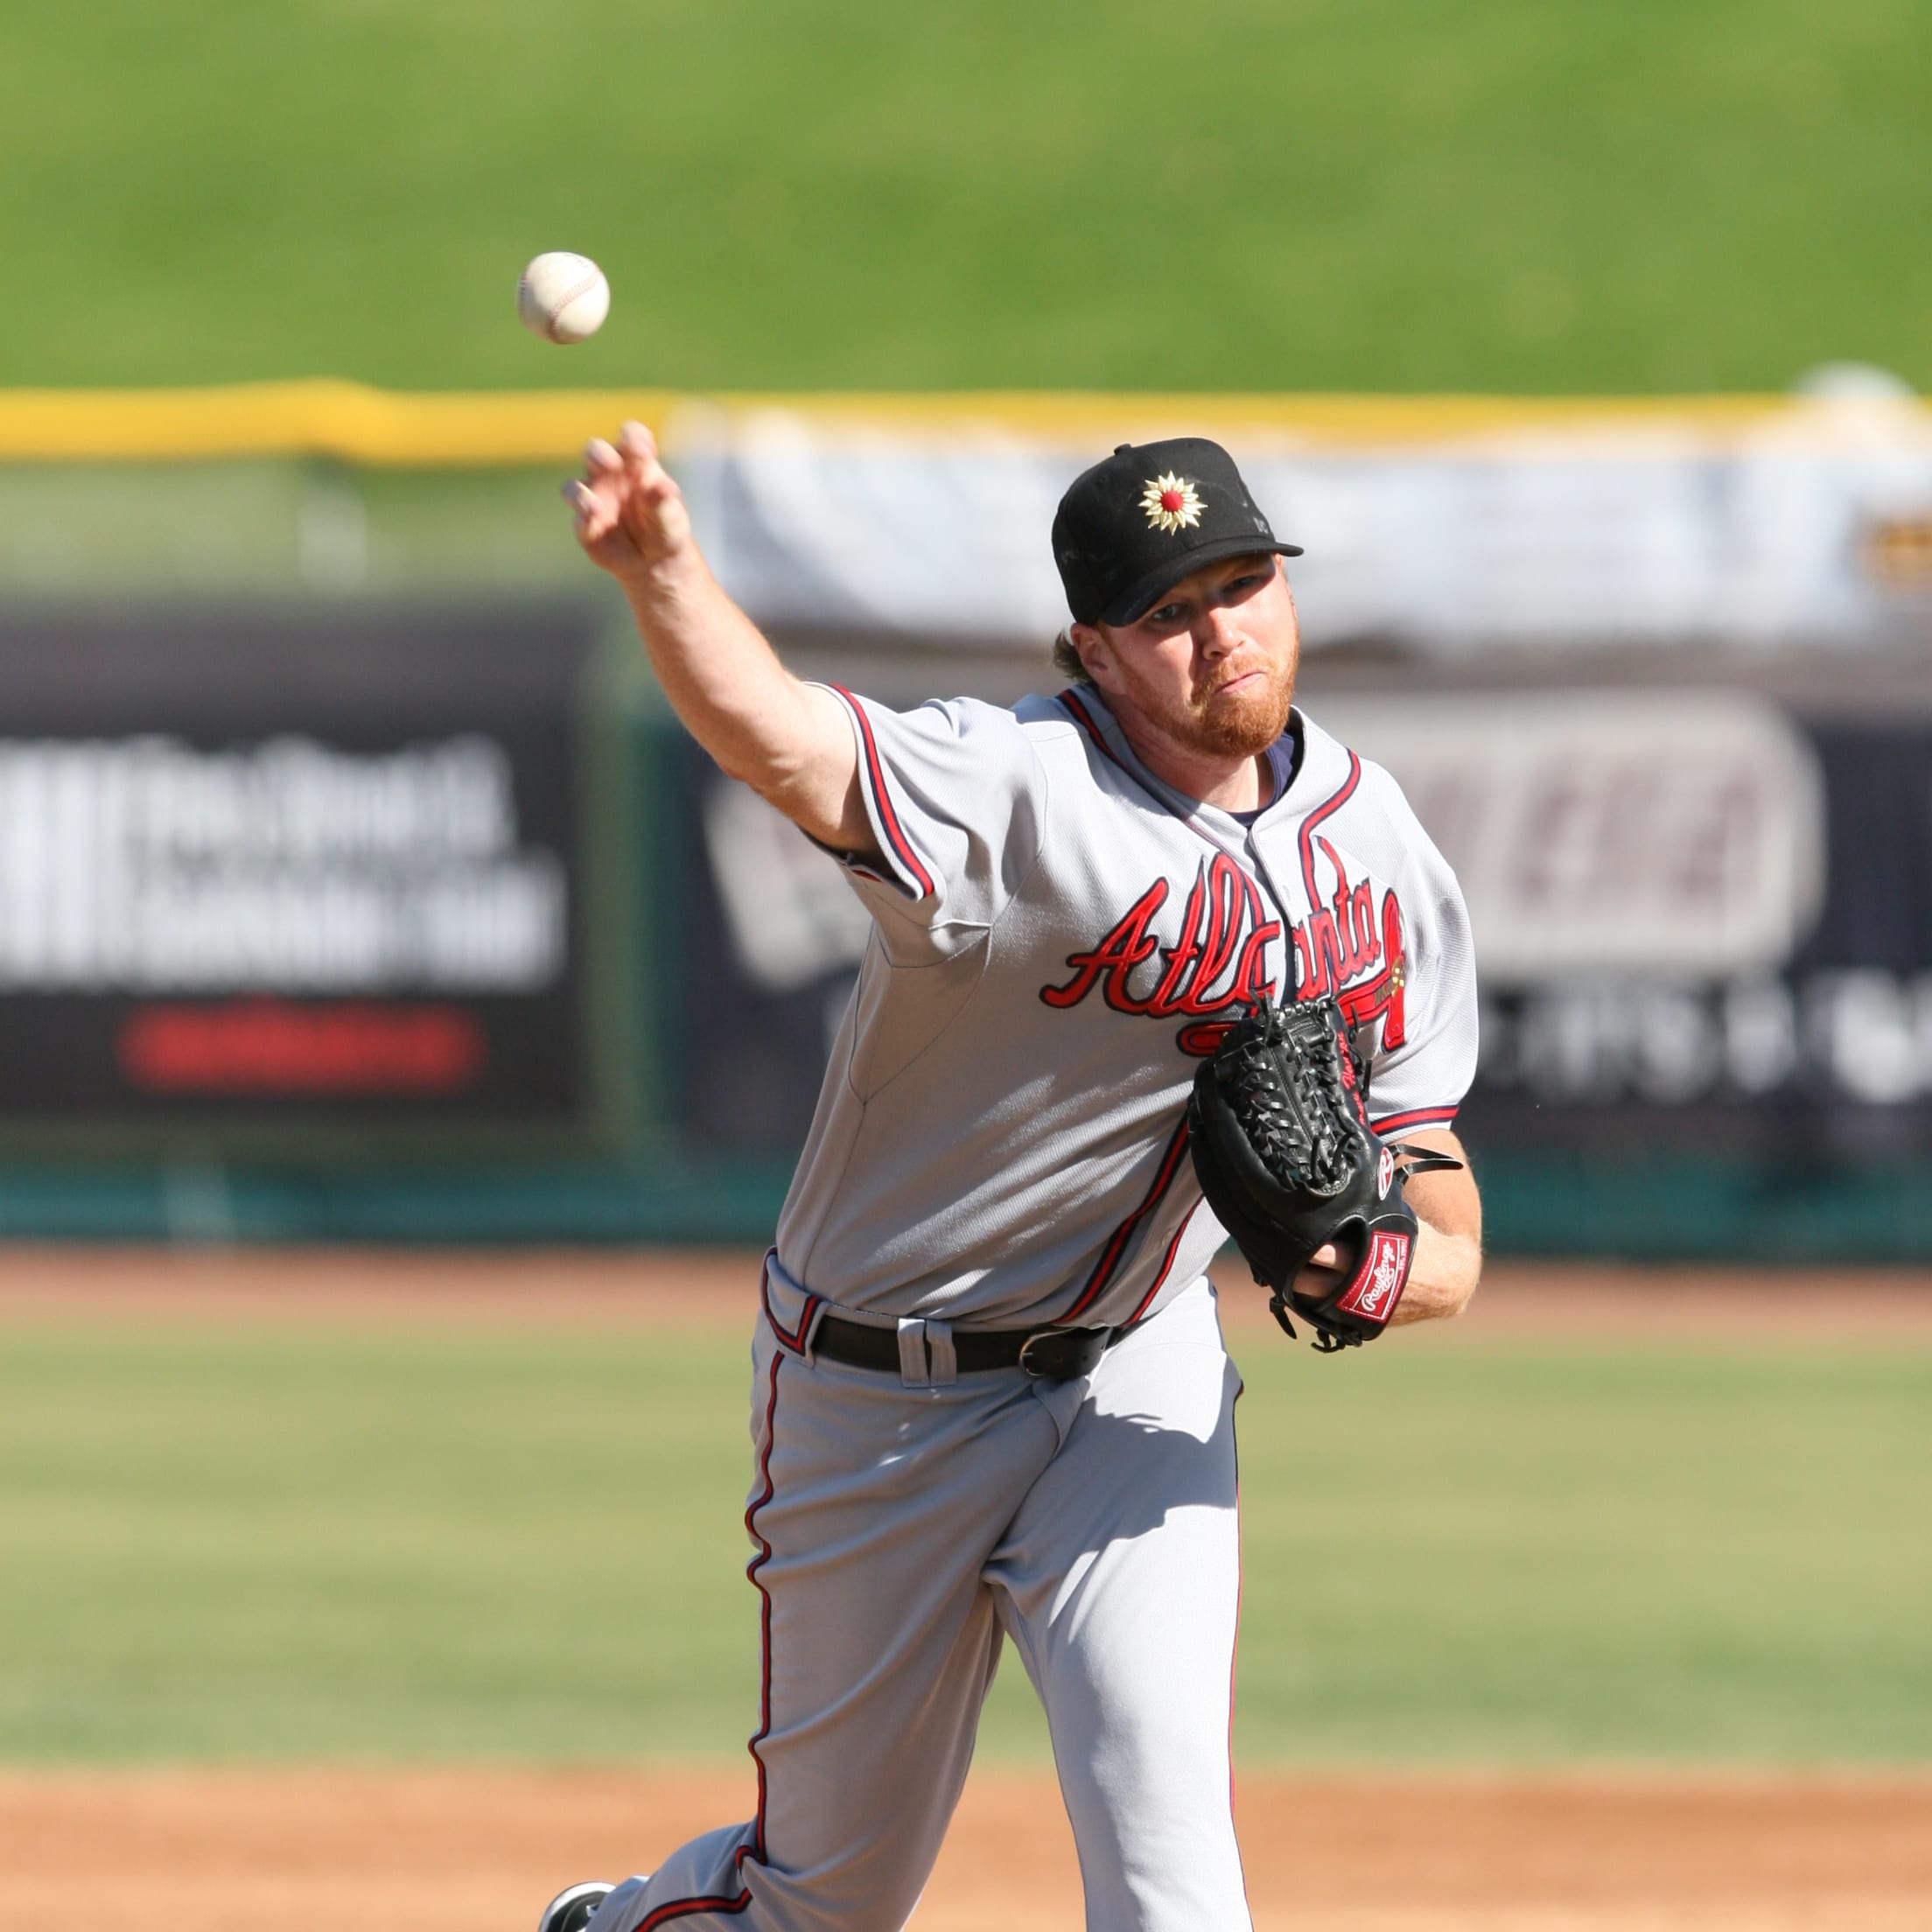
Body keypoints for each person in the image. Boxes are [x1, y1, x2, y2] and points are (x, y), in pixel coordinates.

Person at [539, 427, 1483, 1932]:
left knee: (1177, 1894)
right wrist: (664, 575)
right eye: (1169, 613)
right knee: (823, 1905)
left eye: (1243, 583)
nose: (1220, 633)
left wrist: (1391, 1269)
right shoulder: (1015, 787)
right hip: (881, 1389)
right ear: (1093, 652)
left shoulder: (1380, 849)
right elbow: (785, 740)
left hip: (1138, 1381)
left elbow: (1438, 1191)